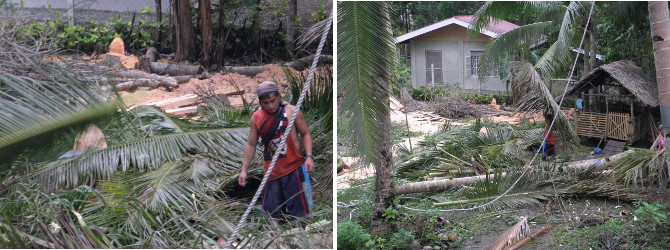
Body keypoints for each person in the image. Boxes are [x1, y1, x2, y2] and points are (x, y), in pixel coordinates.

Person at [238, 81, 315, 220]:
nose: (271, 105)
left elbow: (305, 133)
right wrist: (244, 170)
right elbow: (251, 144)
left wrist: (309, 156)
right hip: (271, 173)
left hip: (294, 169)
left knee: (302, 215)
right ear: (260, 102)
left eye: (273, 101)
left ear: (279, 96)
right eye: (266, 103)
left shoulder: (292, 111)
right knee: (270, 218)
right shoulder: (256, 118)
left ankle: (300, 237)